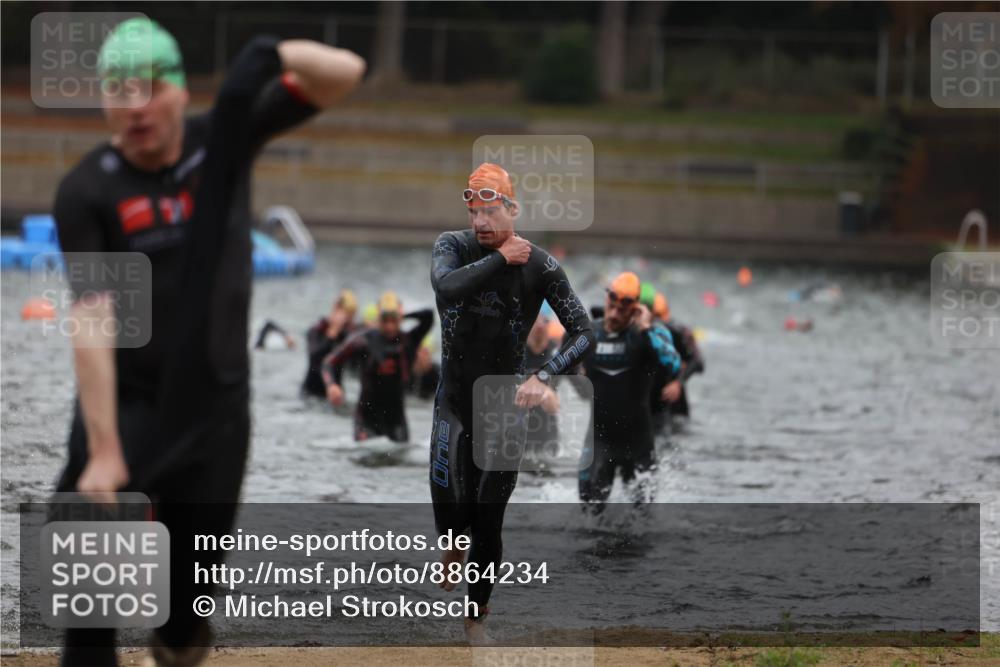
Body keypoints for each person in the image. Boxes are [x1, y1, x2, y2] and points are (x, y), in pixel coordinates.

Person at [51, 18, 365, 666]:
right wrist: (105, 449)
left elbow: (345, 75)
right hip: (131, 406)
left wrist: (276, 52)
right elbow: (92, 317)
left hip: (216, 412)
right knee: (85, 578)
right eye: (117, 89)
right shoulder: (90, 189)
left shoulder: (222, 139)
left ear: (177, 92)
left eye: (147, 87)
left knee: (183, 621)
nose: (133, 104)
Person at [429, 163, 594, 644]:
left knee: (489, 520)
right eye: (474, 211)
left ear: (512, 209)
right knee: (452, 514)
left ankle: (475, 621)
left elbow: (587, 333)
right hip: (455, 403)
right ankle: (452, 545)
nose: (480, 221)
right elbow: (446, 287)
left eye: (490, 211)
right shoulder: (453, 247)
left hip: (505, 407)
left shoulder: (541, 266)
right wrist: (501, 257)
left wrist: (545, 377)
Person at [578, 273, 679, 512]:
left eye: (622, 311)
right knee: (587, 516)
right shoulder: (589, 332)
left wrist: (645, 329)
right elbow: (558, 362)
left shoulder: (650, 334)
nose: (613, 315)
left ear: (635, 309)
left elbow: (673, 364)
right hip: (598, 440)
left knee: (643, 519)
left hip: (639, 443)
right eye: (611, 307)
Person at [322, 292, 433, 442]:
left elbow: (428, 315)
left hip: (396, 422)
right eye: (384, 320)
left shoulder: (408, 341)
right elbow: (329, 362)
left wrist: (403, 314)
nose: (389, 326)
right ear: (378, 318)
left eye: (393, 320)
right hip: (366, 421)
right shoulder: (363, 340)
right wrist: (331, 385)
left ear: (399, 319)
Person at [652, 291, 704, 424]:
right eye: (655, 317)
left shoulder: (679, 332)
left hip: (673, 396)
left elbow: (699, 362)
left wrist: (679, 382)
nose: (658, 321)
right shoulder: (641, 330)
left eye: (660, 316)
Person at [301, 289, 358, 397]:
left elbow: (356, 364)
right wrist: (332, 333)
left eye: (352, 315)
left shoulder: (348, 335)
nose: (350, 319)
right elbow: (314, 357)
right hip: (311, 393)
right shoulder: (317, 329)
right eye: (347, 314)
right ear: (336, 309)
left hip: (335, 394)